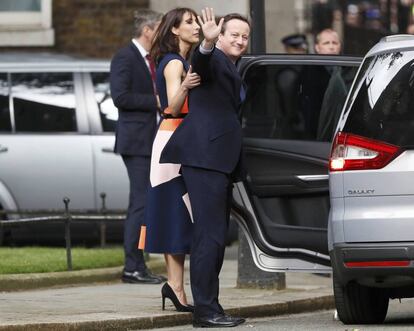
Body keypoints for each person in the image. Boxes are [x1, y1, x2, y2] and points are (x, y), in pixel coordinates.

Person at [160, 8, 250, 328]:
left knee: (214, 237)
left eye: (244, 36)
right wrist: (207, 44)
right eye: (233, 34)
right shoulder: (213, 60)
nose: (240, 40)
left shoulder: (232, 66)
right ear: (220, 35)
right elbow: (201, 62)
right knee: (209, 237)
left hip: (218, 161)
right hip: (205, 158)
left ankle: (210, 306)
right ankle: (206, 311)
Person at [140, 7, 201, 312]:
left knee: (175, 212)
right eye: (189, 22)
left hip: (177, 139)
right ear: (175, 30)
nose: (196, 26)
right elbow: (173, 107)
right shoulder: (174, 63)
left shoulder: (181, 61)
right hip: (173, 139)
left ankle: (175, 286)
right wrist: (187, 85)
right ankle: (176, 286)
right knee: (173, 211)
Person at [110, 9, 165, 284]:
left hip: (151, 140)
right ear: (148, 31)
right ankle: (132, 266)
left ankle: (138, 265)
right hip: (136, 142)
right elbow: (120, 96)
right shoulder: (125, 57)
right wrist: (155, 100)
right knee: (140, 203)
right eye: (161, 29)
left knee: (145, 203)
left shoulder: (151, 60)